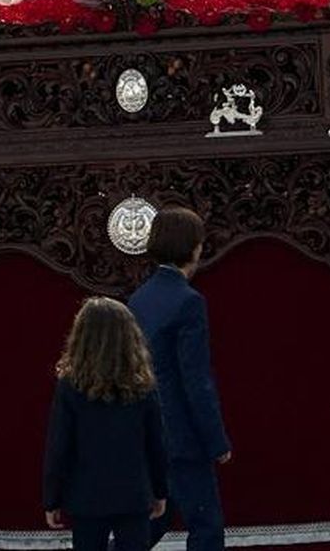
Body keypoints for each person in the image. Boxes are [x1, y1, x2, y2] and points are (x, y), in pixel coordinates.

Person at [129, 208, 231, 551]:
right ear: (193, 247)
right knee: (206, 527)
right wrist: (215, 440)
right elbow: (195, 378)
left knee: (152, 523)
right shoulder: (189, 302)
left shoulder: (138, 299)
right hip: (183, 435)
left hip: (147, 430)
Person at [43, 297, 169, 551]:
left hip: (85, 497)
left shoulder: (71, 385)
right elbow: (157, 444)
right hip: (133, 494)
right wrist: (159, 490)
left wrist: (51, 499)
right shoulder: (142, 385)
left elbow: (59, 446)